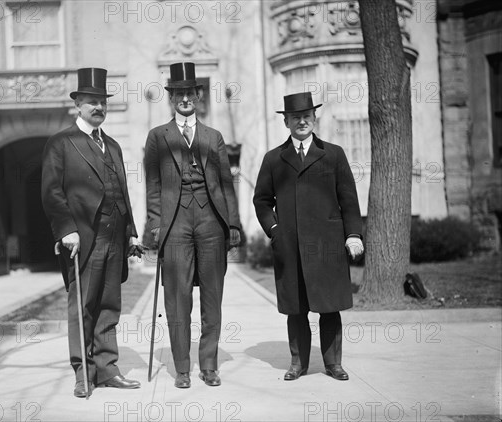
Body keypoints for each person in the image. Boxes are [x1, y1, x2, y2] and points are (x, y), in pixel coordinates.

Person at [41, 67, 143, 398]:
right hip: (83, 238)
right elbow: (52, 192)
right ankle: (82, 373)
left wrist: (131, 230)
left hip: (115, 236)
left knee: (110, 305)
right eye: (91, 102)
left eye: (102, 102)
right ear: (78, 105)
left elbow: (121, 190)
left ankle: (108, 368)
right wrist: (66, 230)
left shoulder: (112, 145)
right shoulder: (61, 142)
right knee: (82, 305)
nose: (98, 107)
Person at [253, 92, 364, 381]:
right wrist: (275, 231)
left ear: (314, 119)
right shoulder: (274, 159)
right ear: (286, 122)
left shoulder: (334, 154)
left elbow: (349, 200)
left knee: (329, 307)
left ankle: (333, 364)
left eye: (306, 116)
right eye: (295, 117)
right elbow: (261, 201)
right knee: (296, 309)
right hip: (291, 246)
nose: (301, 121)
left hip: (328, 245)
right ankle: (297, 364)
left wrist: (353, 235)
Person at [144, 62, 241, 388]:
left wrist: (234, 223)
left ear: (198, 96)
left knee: (213, 296)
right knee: (177, 297)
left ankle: (209, 365)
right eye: (178, 93)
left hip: (212, 222)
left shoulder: (214, 137)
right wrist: (155, 224)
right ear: (171, 98)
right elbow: (153, 184)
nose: (185, 98)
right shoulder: (158, 136)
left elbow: (227, 183)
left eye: (190, 92)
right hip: (175, 224)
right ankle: (182, 368)